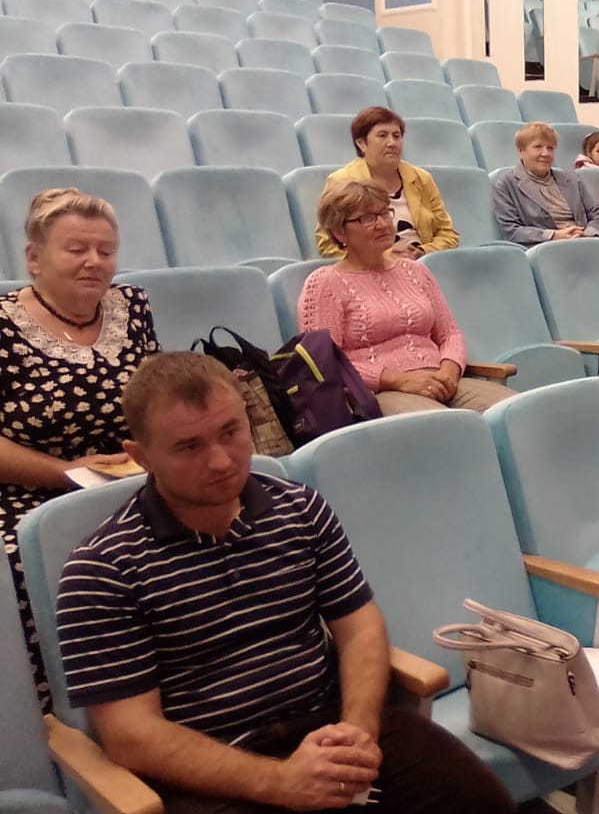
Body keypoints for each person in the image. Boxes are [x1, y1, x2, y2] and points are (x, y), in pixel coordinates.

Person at [54, 351, 515, 813]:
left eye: (231, 431)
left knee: (477, 799)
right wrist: (280, 781)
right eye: (189, 447)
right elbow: (132, 735)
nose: (221, 461)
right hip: (211, 769)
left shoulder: (301, 510)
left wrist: (357, 730)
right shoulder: (101, 570)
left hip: (326, 727)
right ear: (141, 456)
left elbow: (359, 628)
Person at [1, 188, 158, 705]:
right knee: (24, 563)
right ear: (34, 257)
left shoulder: (132, 305)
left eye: (105, 250)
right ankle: (60, 711)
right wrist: (66, 471)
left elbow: (155, 397)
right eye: (76, 249)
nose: (94, 261)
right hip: (29, 494)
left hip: (128, 479)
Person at [299, 180, 515, 416]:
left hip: (440, 378)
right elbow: (324, 362)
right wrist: (397, 380)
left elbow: (450, 334)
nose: (382, 224)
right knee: (442, 424)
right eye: (367, 218)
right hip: (377, 391)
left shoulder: (415, 270)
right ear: (339, 231)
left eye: (384, 213)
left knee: (515, 411)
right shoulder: (325, 283)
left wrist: (449, 371)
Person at [316, 107, 459, 258]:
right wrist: (384, 258)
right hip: (372, 267)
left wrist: (423, 251)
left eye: (397, 136)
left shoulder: (422, 178)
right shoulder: (342, 181)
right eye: (382, 135)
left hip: (422, 263)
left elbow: (448, 234)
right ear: (361, 143)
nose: (392, 143)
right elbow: (328, 245)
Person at [492, 122, 599, 246]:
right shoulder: (506, 184)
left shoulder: (572, 179)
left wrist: (588, 234)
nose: (546, 153)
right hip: (546, 248)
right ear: (521, 151)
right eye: (538, 147)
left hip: (586, 242)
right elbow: (511, 230)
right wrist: (553, 235)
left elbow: (597, 215)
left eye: (550, 148)